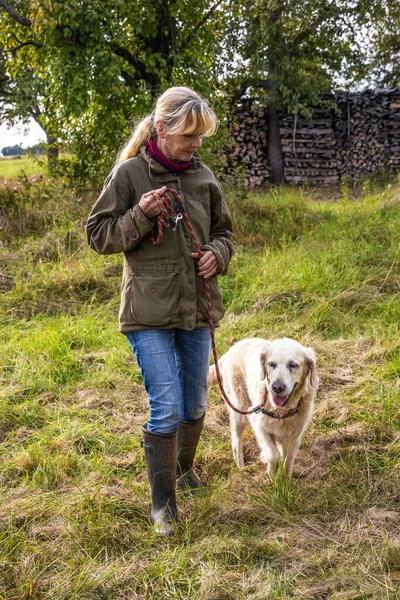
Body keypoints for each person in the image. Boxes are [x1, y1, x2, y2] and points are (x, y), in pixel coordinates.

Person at [86, 86, 234, 536]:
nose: (196, 145)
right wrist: (141, 215)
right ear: (163, 129)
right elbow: (98, 235)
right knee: (166, 406)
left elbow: (226, 233)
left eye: (201, 138)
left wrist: (217, 255)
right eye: (190, 135)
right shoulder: (131, 174)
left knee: (195, 401)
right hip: (146, 314)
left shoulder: (205, 177)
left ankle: (185, 471)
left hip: (195, 308)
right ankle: (162, 507)